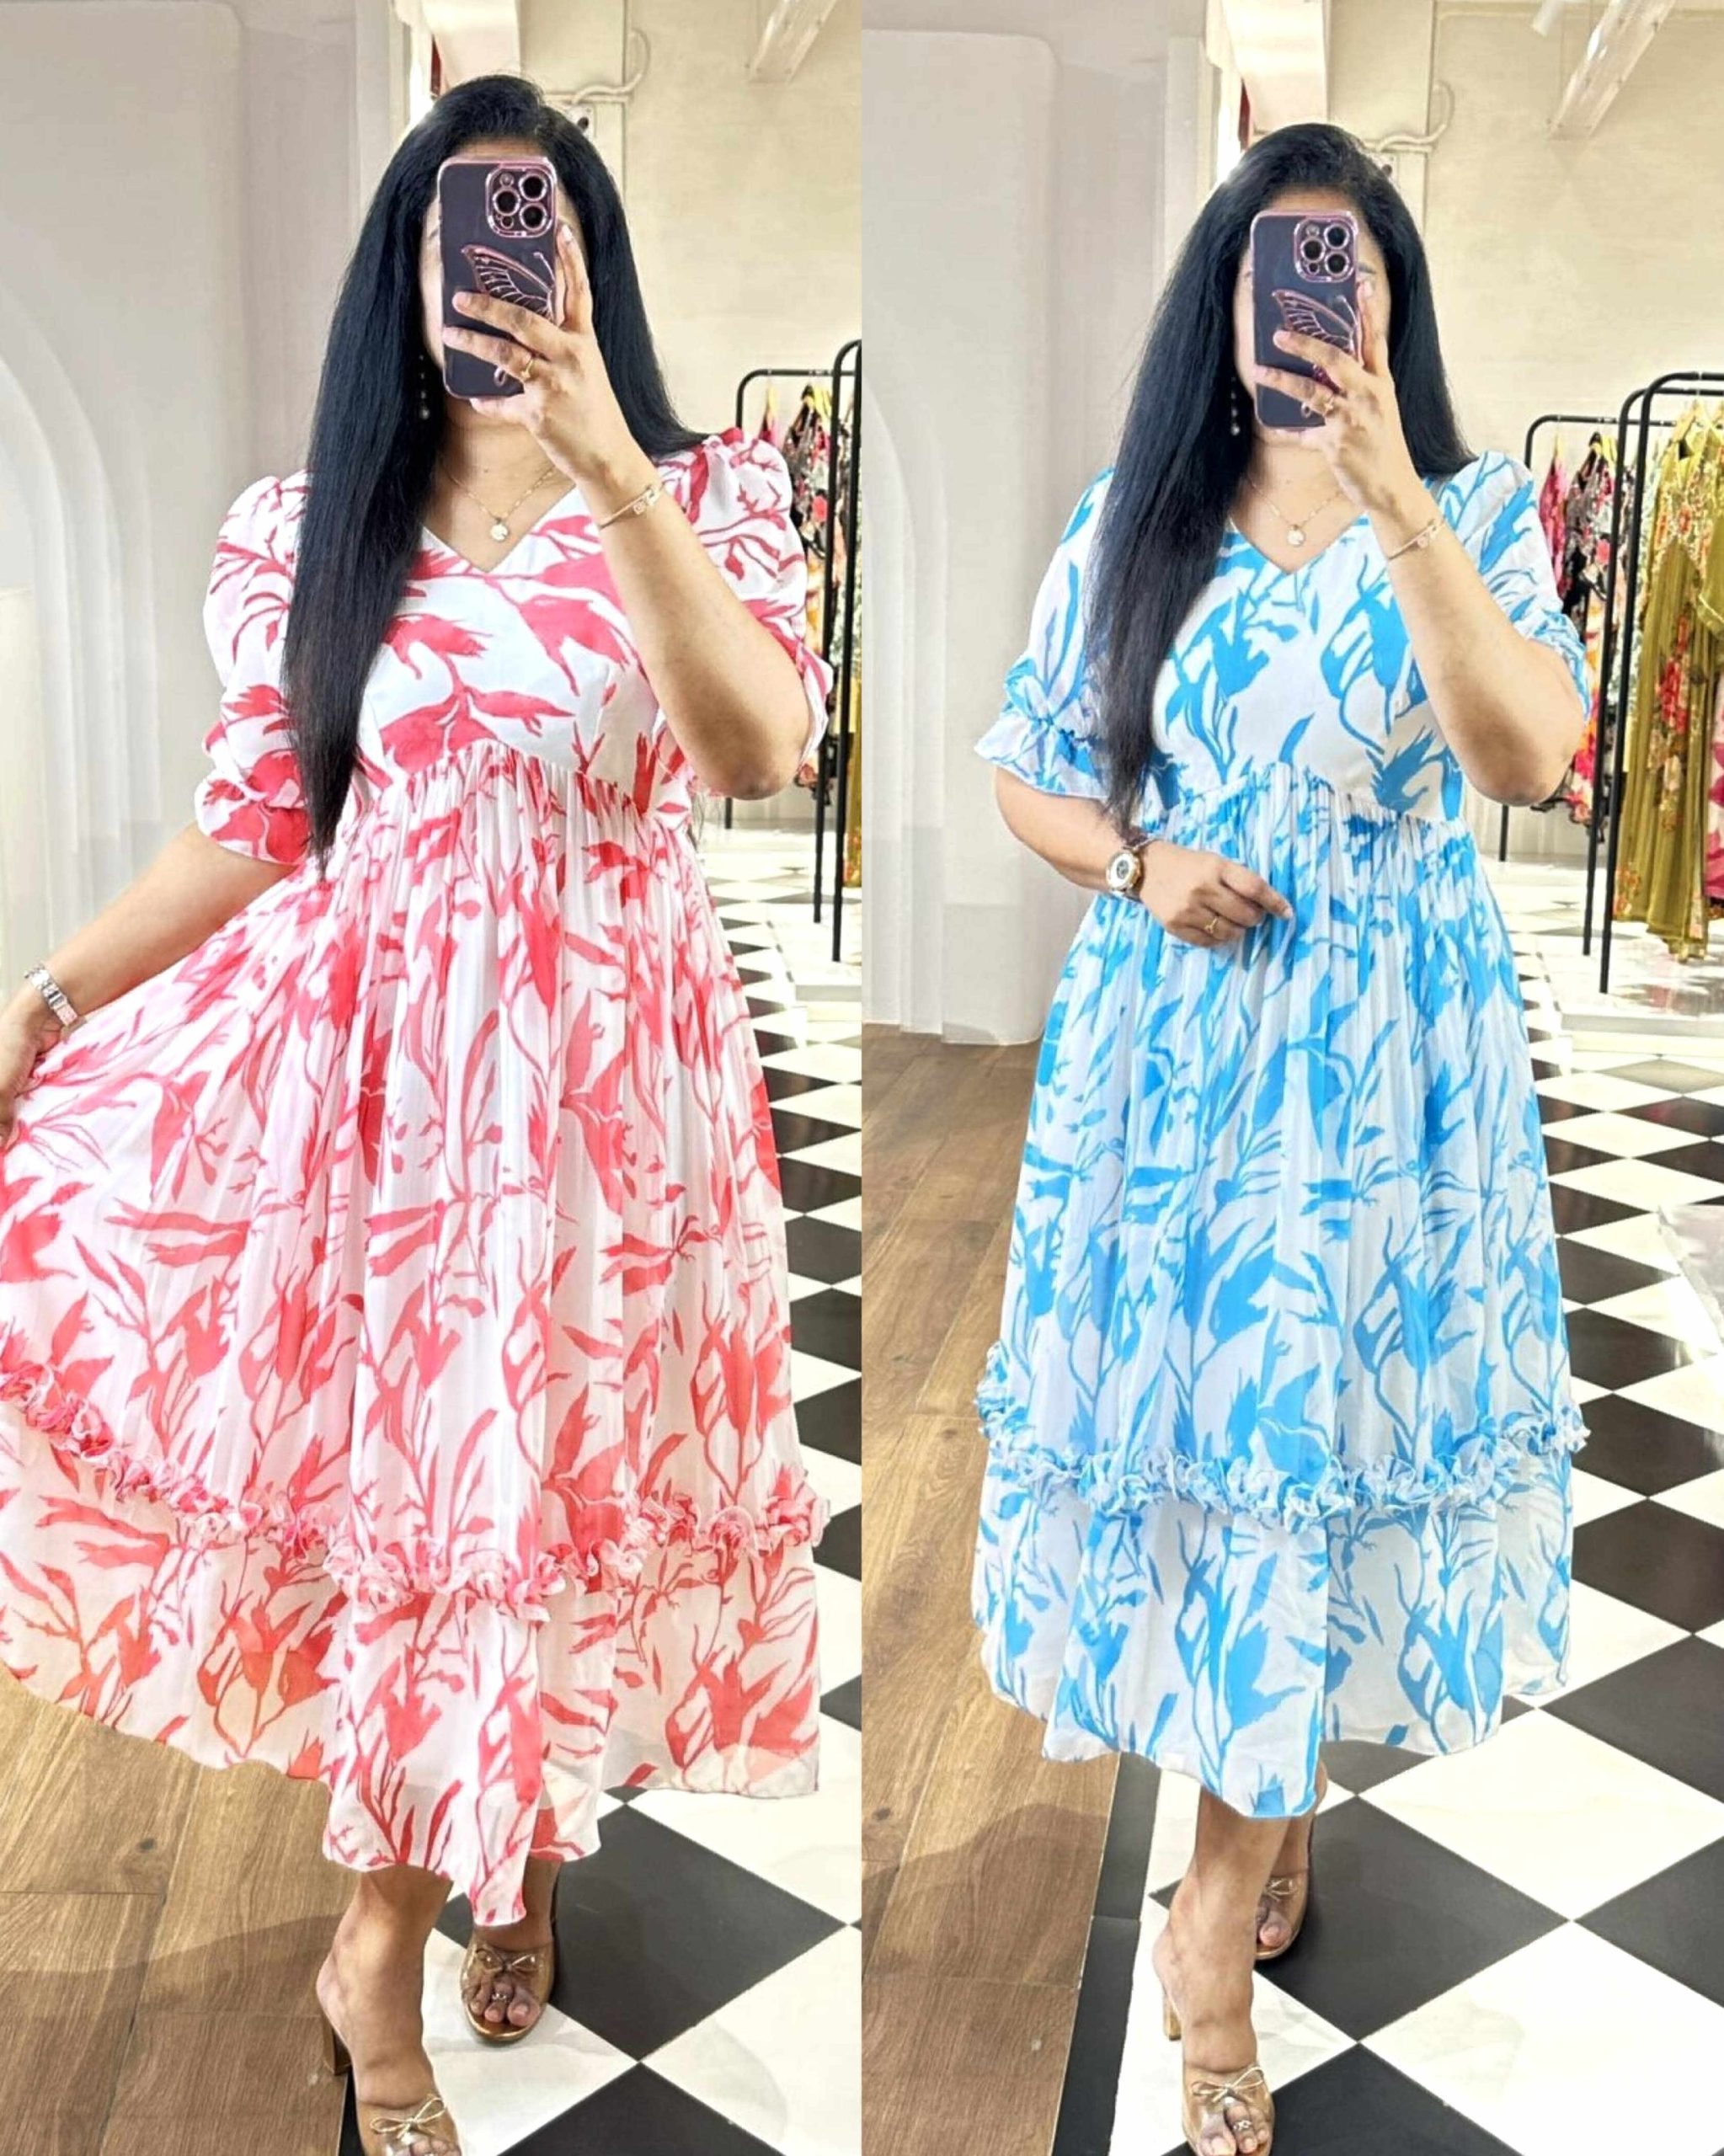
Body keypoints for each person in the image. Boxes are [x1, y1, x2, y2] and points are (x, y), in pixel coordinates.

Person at [0, 74, 833, 2156]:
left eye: (538, 225)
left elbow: (755, 752)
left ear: (593, 266)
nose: (498, 266)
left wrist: (610, 467)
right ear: (400, 267)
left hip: (616, 1101)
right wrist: (47, 997)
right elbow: (259, 822)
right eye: (461, 227)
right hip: (386, 1098)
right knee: (436, 1498)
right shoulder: (307, 527)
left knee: (555, 1478)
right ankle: (377, 1946)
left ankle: (507, 1832)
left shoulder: (708, 494)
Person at [970, 122, 1588, 2156]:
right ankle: (1224, 1888)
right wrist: (1135, 862)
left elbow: (1522, 753)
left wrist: (1400, 497)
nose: (1306, 301)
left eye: (1346, 269)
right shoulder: (1135, 521)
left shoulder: (1477, 512)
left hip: (1389, 1074)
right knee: (1226, 1444)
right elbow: (1027, 768)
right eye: (1273, 265)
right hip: (1175, 1072)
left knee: (1316, 1433)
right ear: (1221, 297)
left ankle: (1231, 1863)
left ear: (1393, 306)